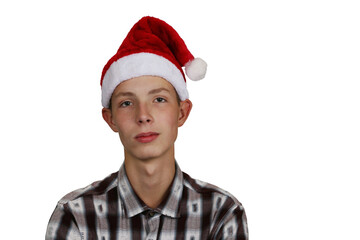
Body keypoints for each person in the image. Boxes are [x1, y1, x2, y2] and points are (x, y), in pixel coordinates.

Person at [46, 16, 248, 240]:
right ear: (110, 118)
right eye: (127, 103)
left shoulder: (221, 213)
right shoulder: (76, 214)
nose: (143, 116)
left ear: (182, 112)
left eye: (159, 100)